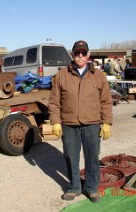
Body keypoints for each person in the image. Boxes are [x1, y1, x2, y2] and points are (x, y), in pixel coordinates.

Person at [48, 40, 113, 202]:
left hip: (92, 124)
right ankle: (75, 187)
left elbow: (106, 101)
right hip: (69, 124)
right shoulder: (62, 75)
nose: (80, 56)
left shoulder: (98, 76)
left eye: (83, 53)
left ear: (88, 55)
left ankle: (91, 188)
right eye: (77, 53)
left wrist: (106, 123)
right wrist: (55, 121)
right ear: (72, 54)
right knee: (71, 156)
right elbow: (54, 102)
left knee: (92, 156)